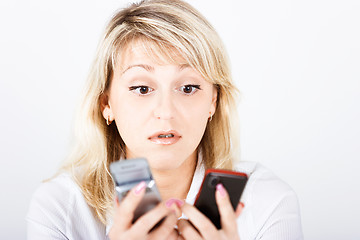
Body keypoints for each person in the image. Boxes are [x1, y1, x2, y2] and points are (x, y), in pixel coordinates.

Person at [27, 0, 303, 239]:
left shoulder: (268, 200)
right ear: (106, 104)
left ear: (213, 102)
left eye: (188, 88)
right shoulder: (60, 206)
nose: (166, 111)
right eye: (142, 89)